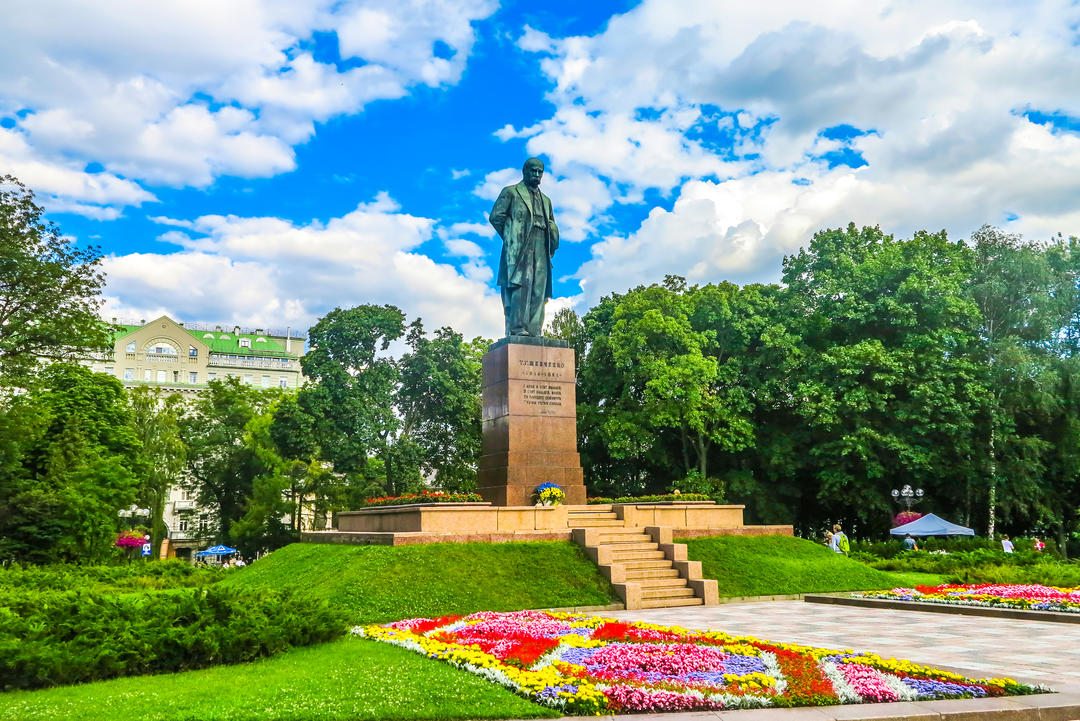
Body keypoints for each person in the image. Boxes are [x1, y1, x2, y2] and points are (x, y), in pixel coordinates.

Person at [489, 157, 560, 338]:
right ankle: (517, 328)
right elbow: (496, 217)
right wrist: (512, 237)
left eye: (540, 172)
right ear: (525, 172)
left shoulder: (546, 200)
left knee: (539, 289)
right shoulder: (511, 192)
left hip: (541, 245)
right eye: (533, 171)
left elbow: (550, 220)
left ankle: (535, 330)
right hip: (521, 245)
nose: (536, 175)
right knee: (521, 286)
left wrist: (552, 231)